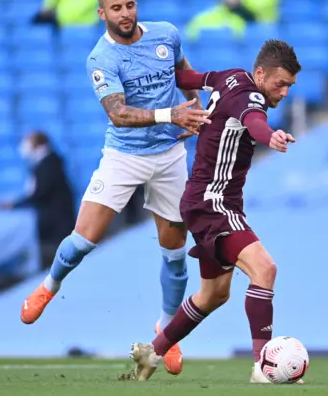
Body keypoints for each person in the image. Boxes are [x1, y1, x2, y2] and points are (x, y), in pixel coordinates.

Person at [19, 0, 210, 376]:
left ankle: (167, 329)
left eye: (130, 5)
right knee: (82, 240)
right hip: (124, 156)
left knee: (175, 253)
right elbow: (118, 113)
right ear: (101, 14)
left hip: (169, 155)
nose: (126, 13)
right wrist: (170, 114)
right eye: (116, 8)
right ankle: (48, 287)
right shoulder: (100, 58)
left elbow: (183, 73)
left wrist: (198, 107)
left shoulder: (165, 35)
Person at [127, 40, 303, 384]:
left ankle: (152, 352)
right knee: (265, 269)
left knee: (214, 295)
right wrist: (272, 137)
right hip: (214, 202)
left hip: (203, 200)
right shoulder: (250, 97)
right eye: (279, 83)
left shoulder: (230, 77)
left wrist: (149, 74)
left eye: (289, 86)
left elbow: (190, 77)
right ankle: (262, 368)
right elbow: (255, 123)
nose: (283, 93)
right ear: (260, 73)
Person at [0, 131, 76, 269]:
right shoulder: (46, 164)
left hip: (56, 224)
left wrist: (14, 205)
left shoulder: (49, 165)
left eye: (28, 142)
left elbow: (39, 194)